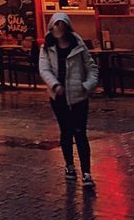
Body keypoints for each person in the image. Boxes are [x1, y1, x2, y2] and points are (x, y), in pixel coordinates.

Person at [38, 11, 100, 188]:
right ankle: (70, 166)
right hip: (59, 97)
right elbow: (44, 69)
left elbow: (91, 67)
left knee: (80, 132)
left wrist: (87, 86)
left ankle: (87, 173)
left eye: (61, 24)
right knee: (66, 131)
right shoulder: (47, 47)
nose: (58, 28)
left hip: (78, 96)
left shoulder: (77, 44)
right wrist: (55, 86)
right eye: (55, 25)